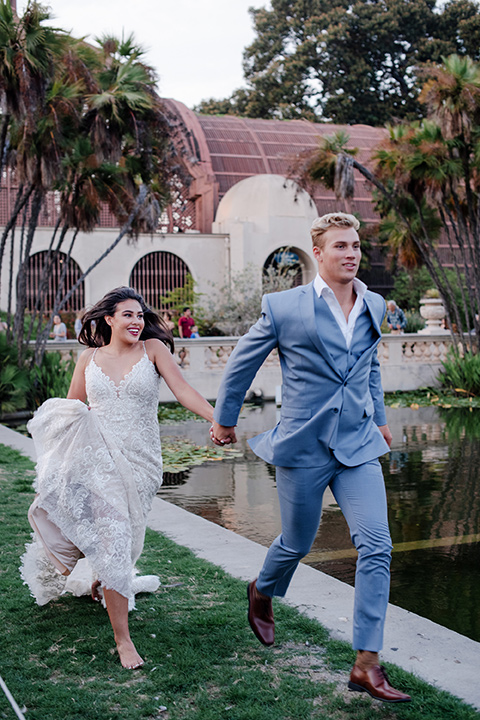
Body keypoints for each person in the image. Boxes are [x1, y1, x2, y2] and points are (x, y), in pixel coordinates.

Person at [210, 213, 411, 703]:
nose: (351, 253)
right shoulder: (284, 306)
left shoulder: (374, 302)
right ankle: (263, 589)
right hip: (302, 445)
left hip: (359, 443)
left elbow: (369, 368)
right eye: (340, 245)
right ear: (317, 253)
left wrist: (380, 419)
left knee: (377, 546)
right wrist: (226, 417)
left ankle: (367, 662)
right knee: (298, 542)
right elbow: (243, 360)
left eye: (356, 245)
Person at [21, 286, 214, 670]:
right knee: (113, 539)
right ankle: (123, 641)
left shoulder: (154, 351)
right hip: (98, 458)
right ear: (108, 319)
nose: (137, 321)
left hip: (142, 462)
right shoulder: (88, 359)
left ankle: (102, 581)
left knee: (125, 541)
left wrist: (216, 418)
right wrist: (56, 465)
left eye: (140, 315)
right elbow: (73, 410)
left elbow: (183, 390)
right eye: (128, 315)